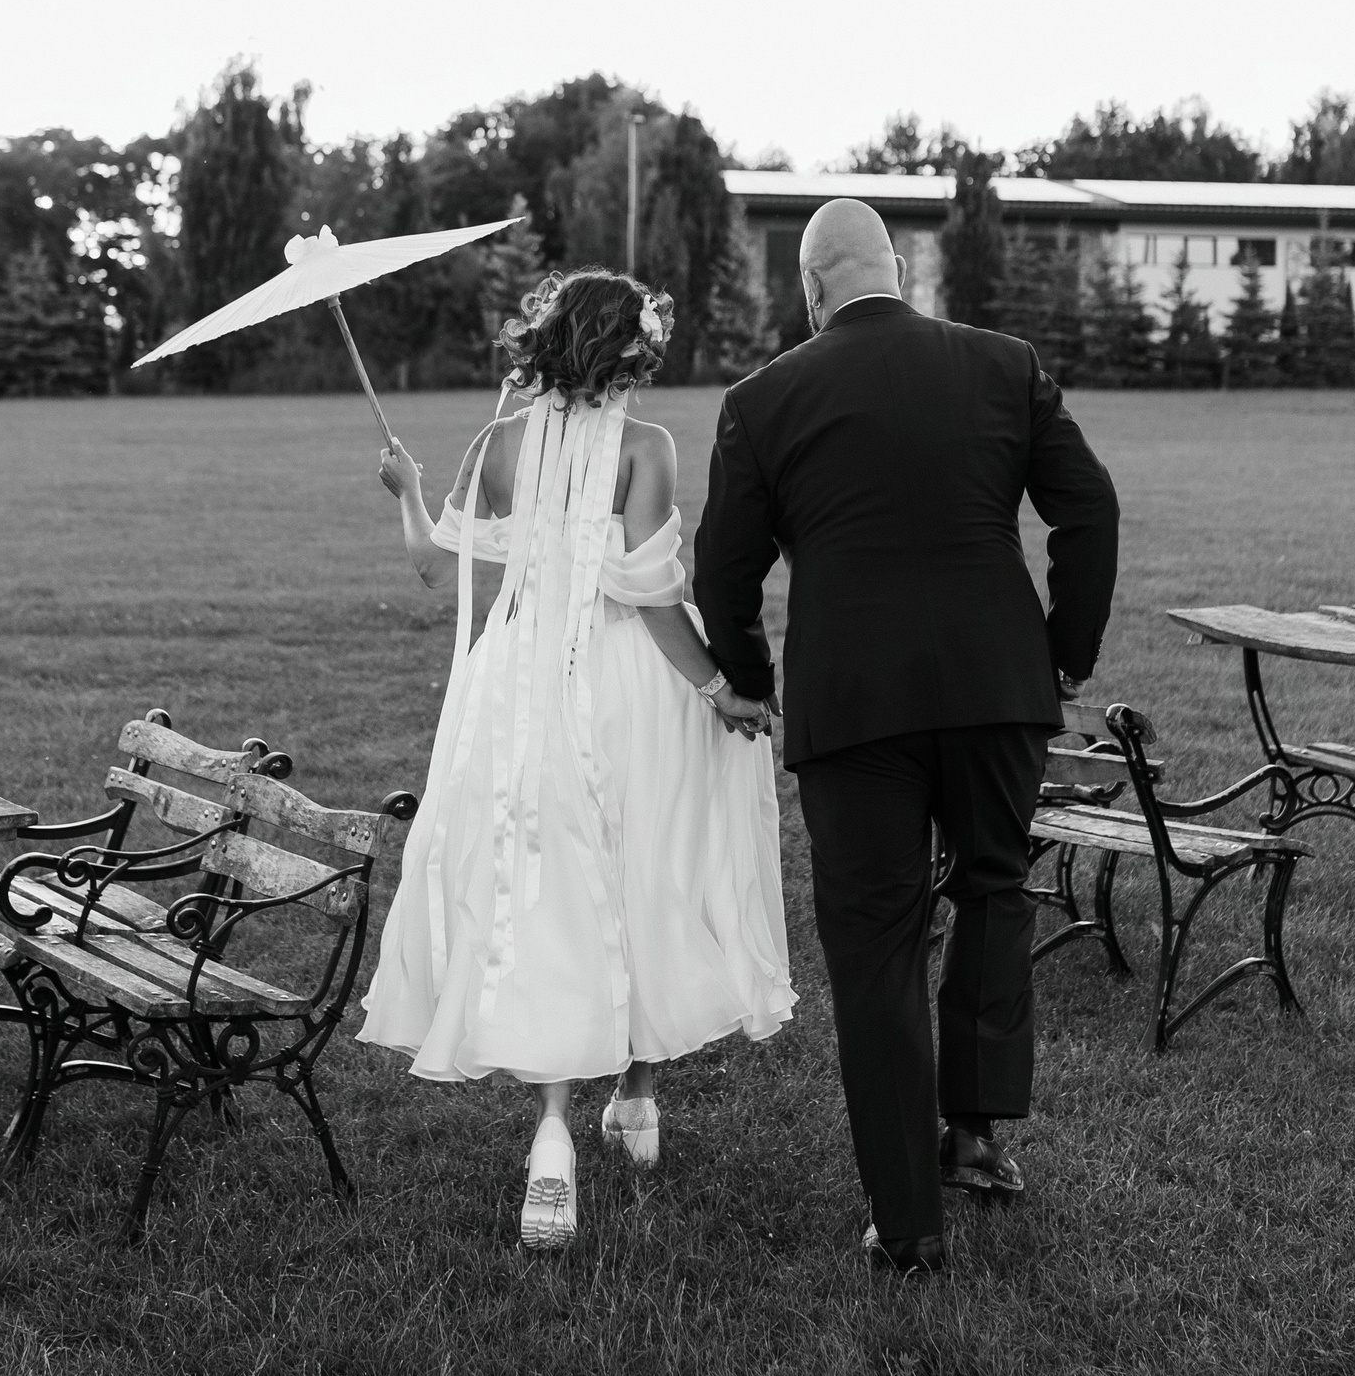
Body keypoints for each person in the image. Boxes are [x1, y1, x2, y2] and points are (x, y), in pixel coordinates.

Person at [692, 197, 1119, 1278]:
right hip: (996, 688)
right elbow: (1090, 509)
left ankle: (906, 1219)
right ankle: (974, 1135)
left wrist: (748, 679)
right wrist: (1065, 654)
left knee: (876, 943)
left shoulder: (762, 398)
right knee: (993, 890)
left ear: (811, 288)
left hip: (854, 705)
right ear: (897, 269)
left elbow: (724, 569)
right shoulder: (1003, 364)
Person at [360, 267, 795, 1251]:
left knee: (545, 884)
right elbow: (649, 594)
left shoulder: (496, 445)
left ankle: (552, 1132)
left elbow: (434, 564)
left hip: (520, 687)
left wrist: (409, 490)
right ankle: (635, 1096)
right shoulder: (646, 447)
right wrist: (718, 691)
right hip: (628, 685)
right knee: (646, 868)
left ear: (545, 341)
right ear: (631, 352)